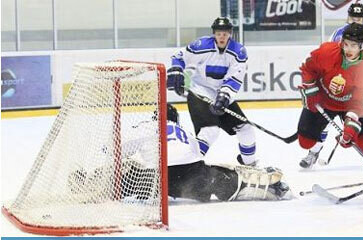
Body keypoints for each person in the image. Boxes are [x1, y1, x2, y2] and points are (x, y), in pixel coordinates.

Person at [68, 104, 291, 203]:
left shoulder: (147, 125)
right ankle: (269, 187)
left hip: (159, 180)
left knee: (126, 176)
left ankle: (89, 185)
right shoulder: (183, 131)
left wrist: (122, 159)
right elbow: (198, 154)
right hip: (193, 176)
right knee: (221, 178)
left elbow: (115, 149)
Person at [297, 23, 363, 201]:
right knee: (305, 141)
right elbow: (308, 69)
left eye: (354, 45)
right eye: (346, 44)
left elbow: (360, 102)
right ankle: (313, 150)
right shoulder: (327, 52)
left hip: (352, 103)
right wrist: (310, 89)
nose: (349, 49)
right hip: (323, 100)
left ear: (362, 46)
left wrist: (351, 126)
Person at [301, 2, 363, 167]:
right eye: (353, 17)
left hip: (362, 84)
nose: (356, 20)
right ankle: (314, 151)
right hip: (340, 83)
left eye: (360, 18)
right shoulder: (339, 33)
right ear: (348, 17)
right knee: (324, 119)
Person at [166, 17, 257, 166]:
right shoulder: (201, 45)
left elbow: (234, 77)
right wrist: (177, 69)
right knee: (210, 131)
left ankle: (251, 166)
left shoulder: (238, 51)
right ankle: (188, 165)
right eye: (219, 33)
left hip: (222, 95)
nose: (222, 37)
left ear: (230, 34)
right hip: (199, 92)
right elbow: (179, 56)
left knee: (246, 130)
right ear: (214, 33)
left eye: (225, 33)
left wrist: (224, 96)